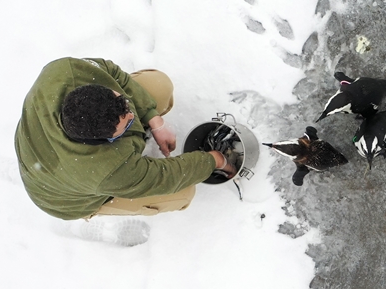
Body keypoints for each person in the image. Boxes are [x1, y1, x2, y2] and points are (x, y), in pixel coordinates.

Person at [14, 57, 234, 244]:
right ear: (104, 140)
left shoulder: (64, 71)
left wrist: (153, 119)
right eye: (127, 125)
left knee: (158, 85)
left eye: (125, 105)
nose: (132, 115)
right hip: (63, 198)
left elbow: (110, 71)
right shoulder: (107, 170)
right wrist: (214, 160)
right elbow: (165, 177)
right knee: (182, 193)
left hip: (49, 148)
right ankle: (102, 206)